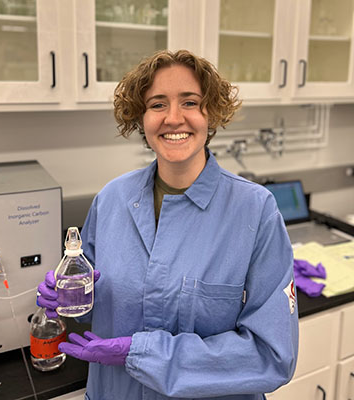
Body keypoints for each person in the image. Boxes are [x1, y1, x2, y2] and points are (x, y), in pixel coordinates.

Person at [37, 49, 299, 400]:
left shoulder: (255, 211)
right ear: (141, 118)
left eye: (190, 102)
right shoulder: (111, 200)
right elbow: (95, 308)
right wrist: (70, 299)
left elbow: (271, 355)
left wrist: (143, 354)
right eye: (157, 104)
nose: (174, 118)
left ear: (212, 114)